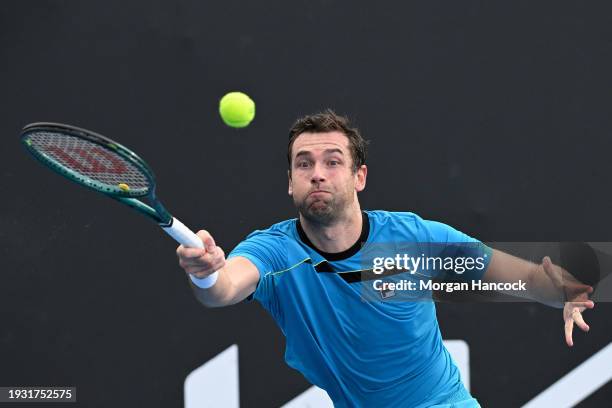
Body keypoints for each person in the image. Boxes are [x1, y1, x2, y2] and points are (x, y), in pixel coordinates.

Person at [176, 110, 594, 407]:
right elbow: (224, 288)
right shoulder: (274, 251)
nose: (317, 173)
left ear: (360, 177)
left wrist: (562, 291)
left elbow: (519, 278)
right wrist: (205, 273)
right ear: (290, 183)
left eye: (332, 162)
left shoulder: (416, 239)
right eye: (303, 164)